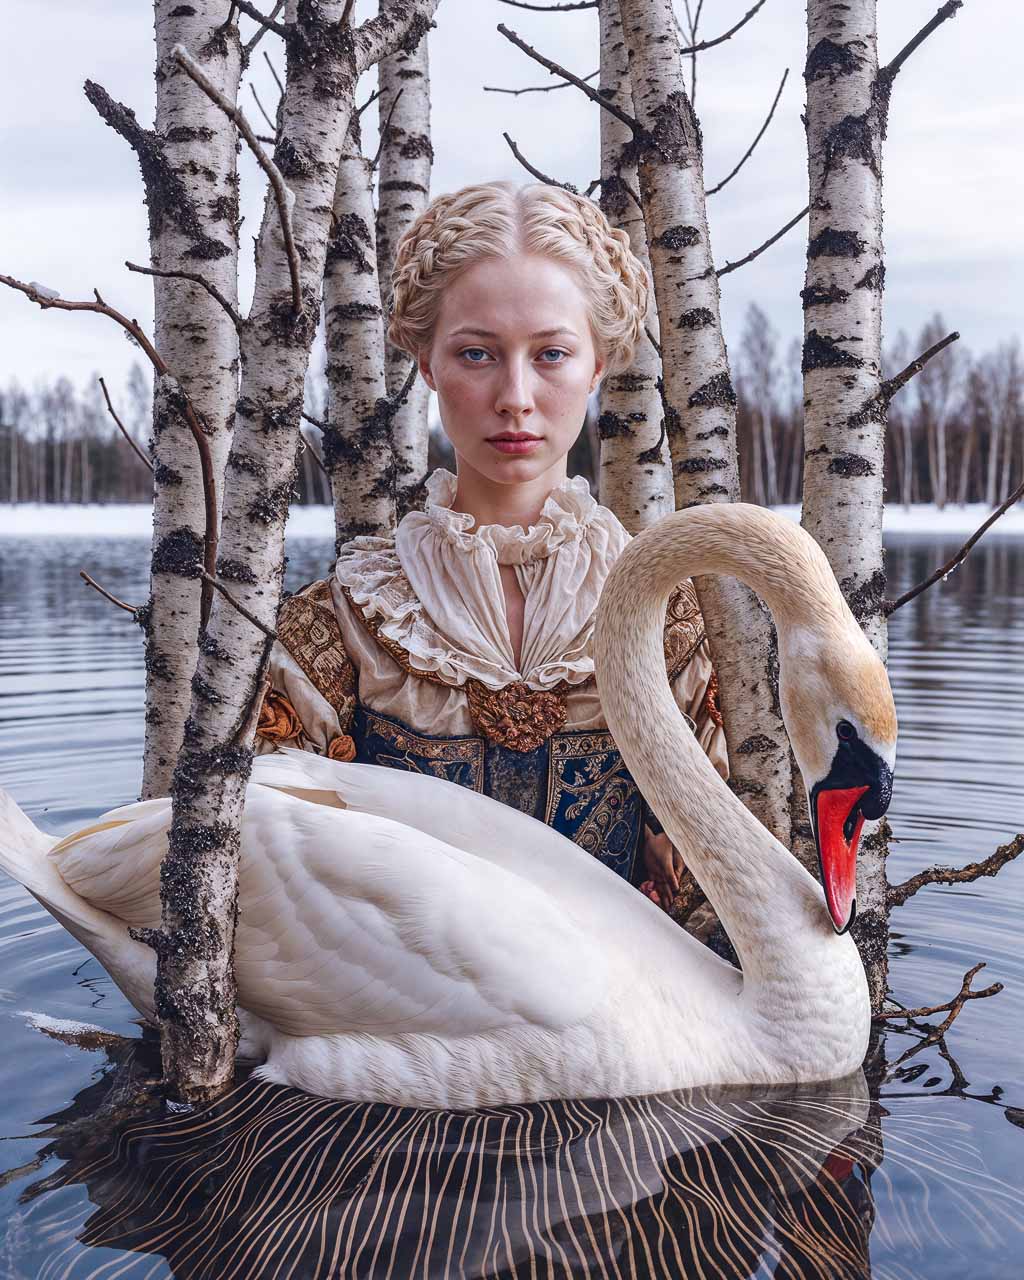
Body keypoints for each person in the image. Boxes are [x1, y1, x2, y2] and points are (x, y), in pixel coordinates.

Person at [255, 181, 727, 910]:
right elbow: (267, 883)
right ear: (429, 364)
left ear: (598, 365)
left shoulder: (670, 624)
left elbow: (711, 896)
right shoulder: (345, 626)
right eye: (477, 354)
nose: (515, 396)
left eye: (551, 355)